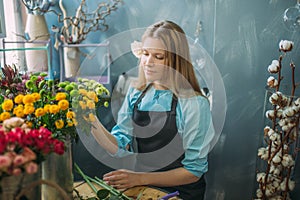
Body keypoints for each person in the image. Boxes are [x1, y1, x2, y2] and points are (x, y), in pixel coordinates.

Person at [91, 20, 214, 200]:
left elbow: (193, 172)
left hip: (181, 193)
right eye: (145, 53)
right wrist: (90, 120)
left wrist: (139, 178)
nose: (148, 62)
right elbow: (119, 145)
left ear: (175, 60)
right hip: (143, 189)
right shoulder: (136, 93)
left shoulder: (194, 104)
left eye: (159, 56)